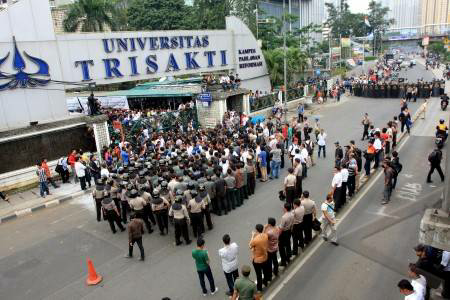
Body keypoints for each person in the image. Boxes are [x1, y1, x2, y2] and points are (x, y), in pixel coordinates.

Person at [249, 224, 269, 292]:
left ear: (257, 230)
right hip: (265, 257)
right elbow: (263, 233)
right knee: (265, 271)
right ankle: (265, 282)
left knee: (259, 274)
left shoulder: (255, 239)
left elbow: (250, 245)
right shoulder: (265, 235)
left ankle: (259, 288)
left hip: (257, 260)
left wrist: (252, 235)